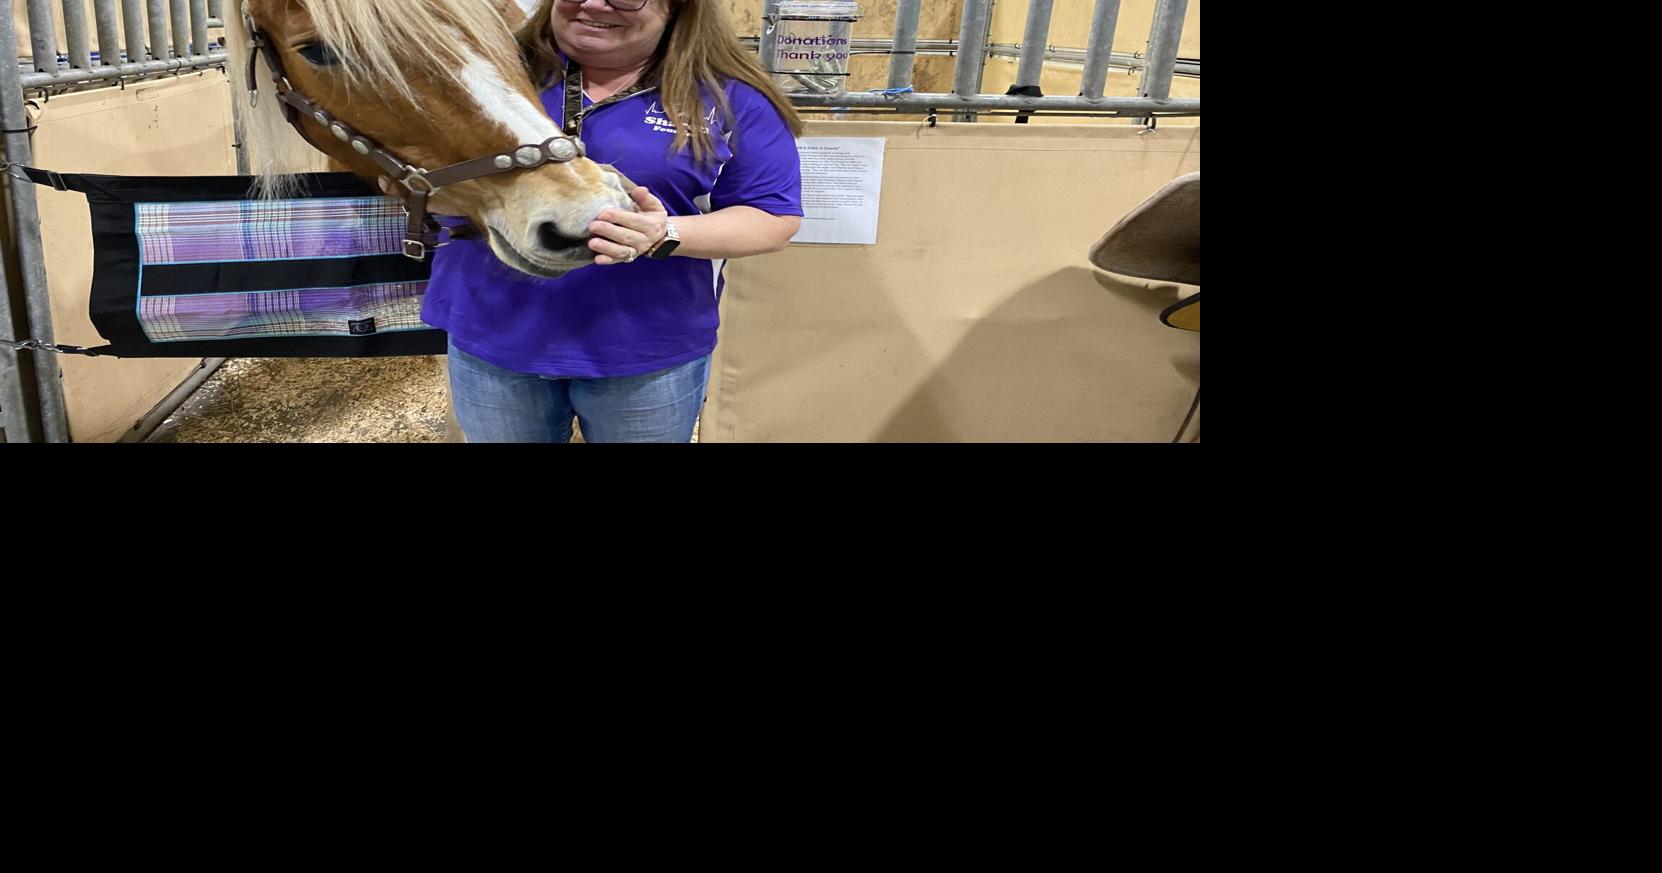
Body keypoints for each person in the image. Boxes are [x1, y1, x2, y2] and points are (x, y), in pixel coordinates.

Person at [420, 0, 804, 442]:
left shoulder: (727, 96)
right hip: (495, 335)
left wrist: (666, 233)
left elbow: (772, 217)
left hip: (643, 346)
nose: (594, 4)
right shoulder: (483, 70)